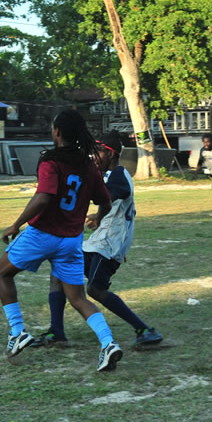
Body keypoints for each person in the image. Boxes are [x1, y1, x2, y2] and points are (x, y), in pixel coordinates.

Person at [0, 110, 123, 372]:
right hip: (71, 241)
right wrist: (98, 217)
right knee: (78, 298)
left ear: (57, 132)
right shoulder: (88, 166)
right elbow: (106, 202)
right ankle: (108, 343)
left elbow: (43, 197)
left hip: (42, 234)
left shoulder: (51, 161)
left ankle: (18, 331)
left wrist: (16, 224)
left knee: (2, 273)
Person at [31, 131, 163, 349]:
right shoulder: (107, 174)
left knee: (95, 290)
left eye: (98, 152)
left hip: (109, 245)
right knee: (58, 274)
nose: (94, 156)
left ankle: (144, 330)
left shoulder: (119, 175)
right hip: (98, 243)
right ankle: (56, 333)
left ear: (111, 154)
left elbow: (110, 196)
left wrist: (98, 214)